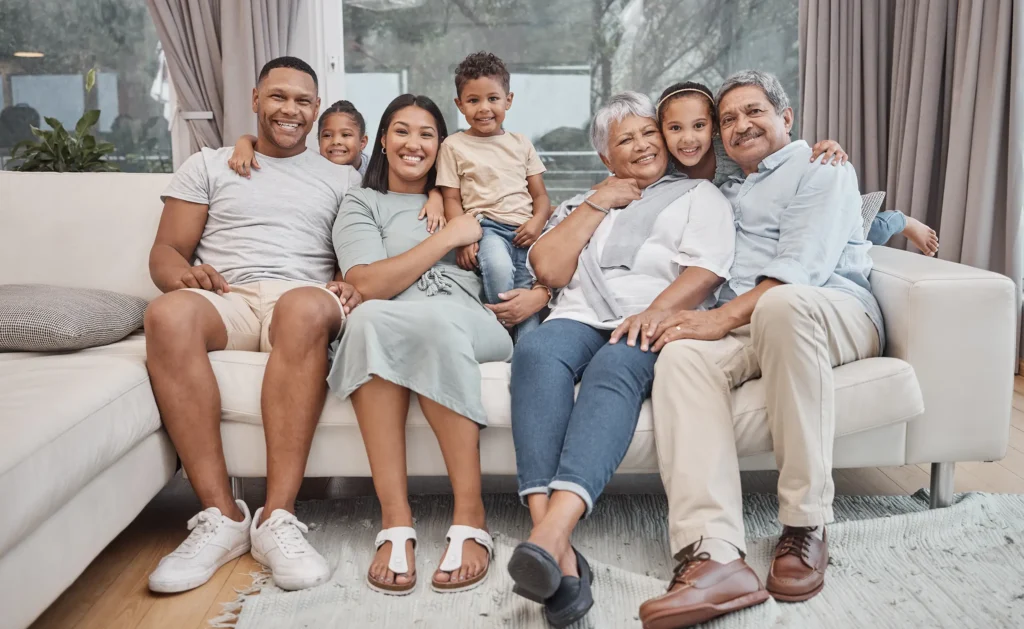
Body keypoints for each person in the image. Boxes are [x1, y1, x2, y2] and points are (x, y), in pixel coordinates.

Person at [638, 70, 883, 628]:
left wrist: (718, 318)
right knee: (680, 355)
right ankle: (714, 553)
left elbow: (800, 269)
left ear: (787, 118)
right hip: (754, 324)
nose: (740, 125)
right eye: (728, 120)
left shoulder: (822, 168)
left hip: (831, 311)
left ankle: (805, 523)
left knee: (783, 303)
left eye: (754, 112)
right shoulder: (727, 188)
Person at [507, 91, 736, 628]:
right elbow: (549, 268)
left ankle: (547, 538)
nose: (641, 145)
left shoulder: (699, 196)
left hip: (648, 316)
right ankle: (554, 545)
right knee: (536, 352)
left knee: (615, 368)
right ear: (606, 157)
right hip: (581, 314)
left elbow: (707, 271)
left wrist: (655, 313)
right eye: (624, 140)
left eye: (647, 133)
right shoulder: (591, 202)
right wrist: (597, 202)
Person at [145, 57, 362, 594]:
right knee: (166, 314)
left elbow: (358, 250)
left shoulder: (342, 175)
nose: (291, 109)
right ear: (255, 98)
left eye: (303, 101)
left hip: (303, 299)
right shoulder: (209, 165)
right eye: (279, 96)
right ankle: (223, 518)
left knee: (304, 307)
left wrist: (344, 282)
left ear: (316, 110)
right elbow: (166, 250)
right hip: (229, 297)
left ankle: (277, 519)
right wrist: (184, 274)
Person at [328, 94, 513, 596]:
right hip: (391, 316)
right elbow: (365, 283)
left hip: (466, 318)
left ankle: (472, 516)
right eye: (402, 131)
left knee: (423, 322)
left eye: (427, 134)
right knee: (366, 320)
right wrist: (447, 237)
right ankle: (395, 521)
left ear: (443, 145)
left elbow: (522, 240)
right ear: (383, 141)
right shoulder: (361, 203)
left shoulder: (466, 193)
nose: (414, 143)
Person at [656, 80, 938, 256]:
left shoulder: (727, 149)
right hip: (749, 215)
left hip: (789, 203)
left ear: (714, 129)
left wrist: (828, 146)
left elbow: (782, 154)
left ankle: (899, 220)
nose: (688, 139)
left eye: (699, 126)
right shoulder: (664, 167)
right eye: (675, 129)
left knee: (862, 228)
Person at [437, 52, 553, 342]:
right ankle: (500, 335)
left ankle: (526, 353)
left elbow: (540, 196)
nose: (484, 108)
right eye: (473, 100)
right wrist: (465, 238)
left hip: (526, 233)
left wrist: (538, 222)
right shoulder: (453, 145)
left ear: (508, 100)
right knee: (499, 269)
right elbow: (451, 199)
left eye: (493, 98)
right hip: (487, 228)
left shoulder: (520, 143)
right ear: (459, 104)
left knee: (525, 295)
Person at [228, 99, 447, 233]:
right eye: (327, 136)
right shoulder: (314, 168)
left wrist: (435, 195)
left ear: (363, 142)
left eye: (346, 135)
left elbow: (412, 182)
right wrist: (245, 142)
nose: (336, 142)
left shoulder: (374, 171)